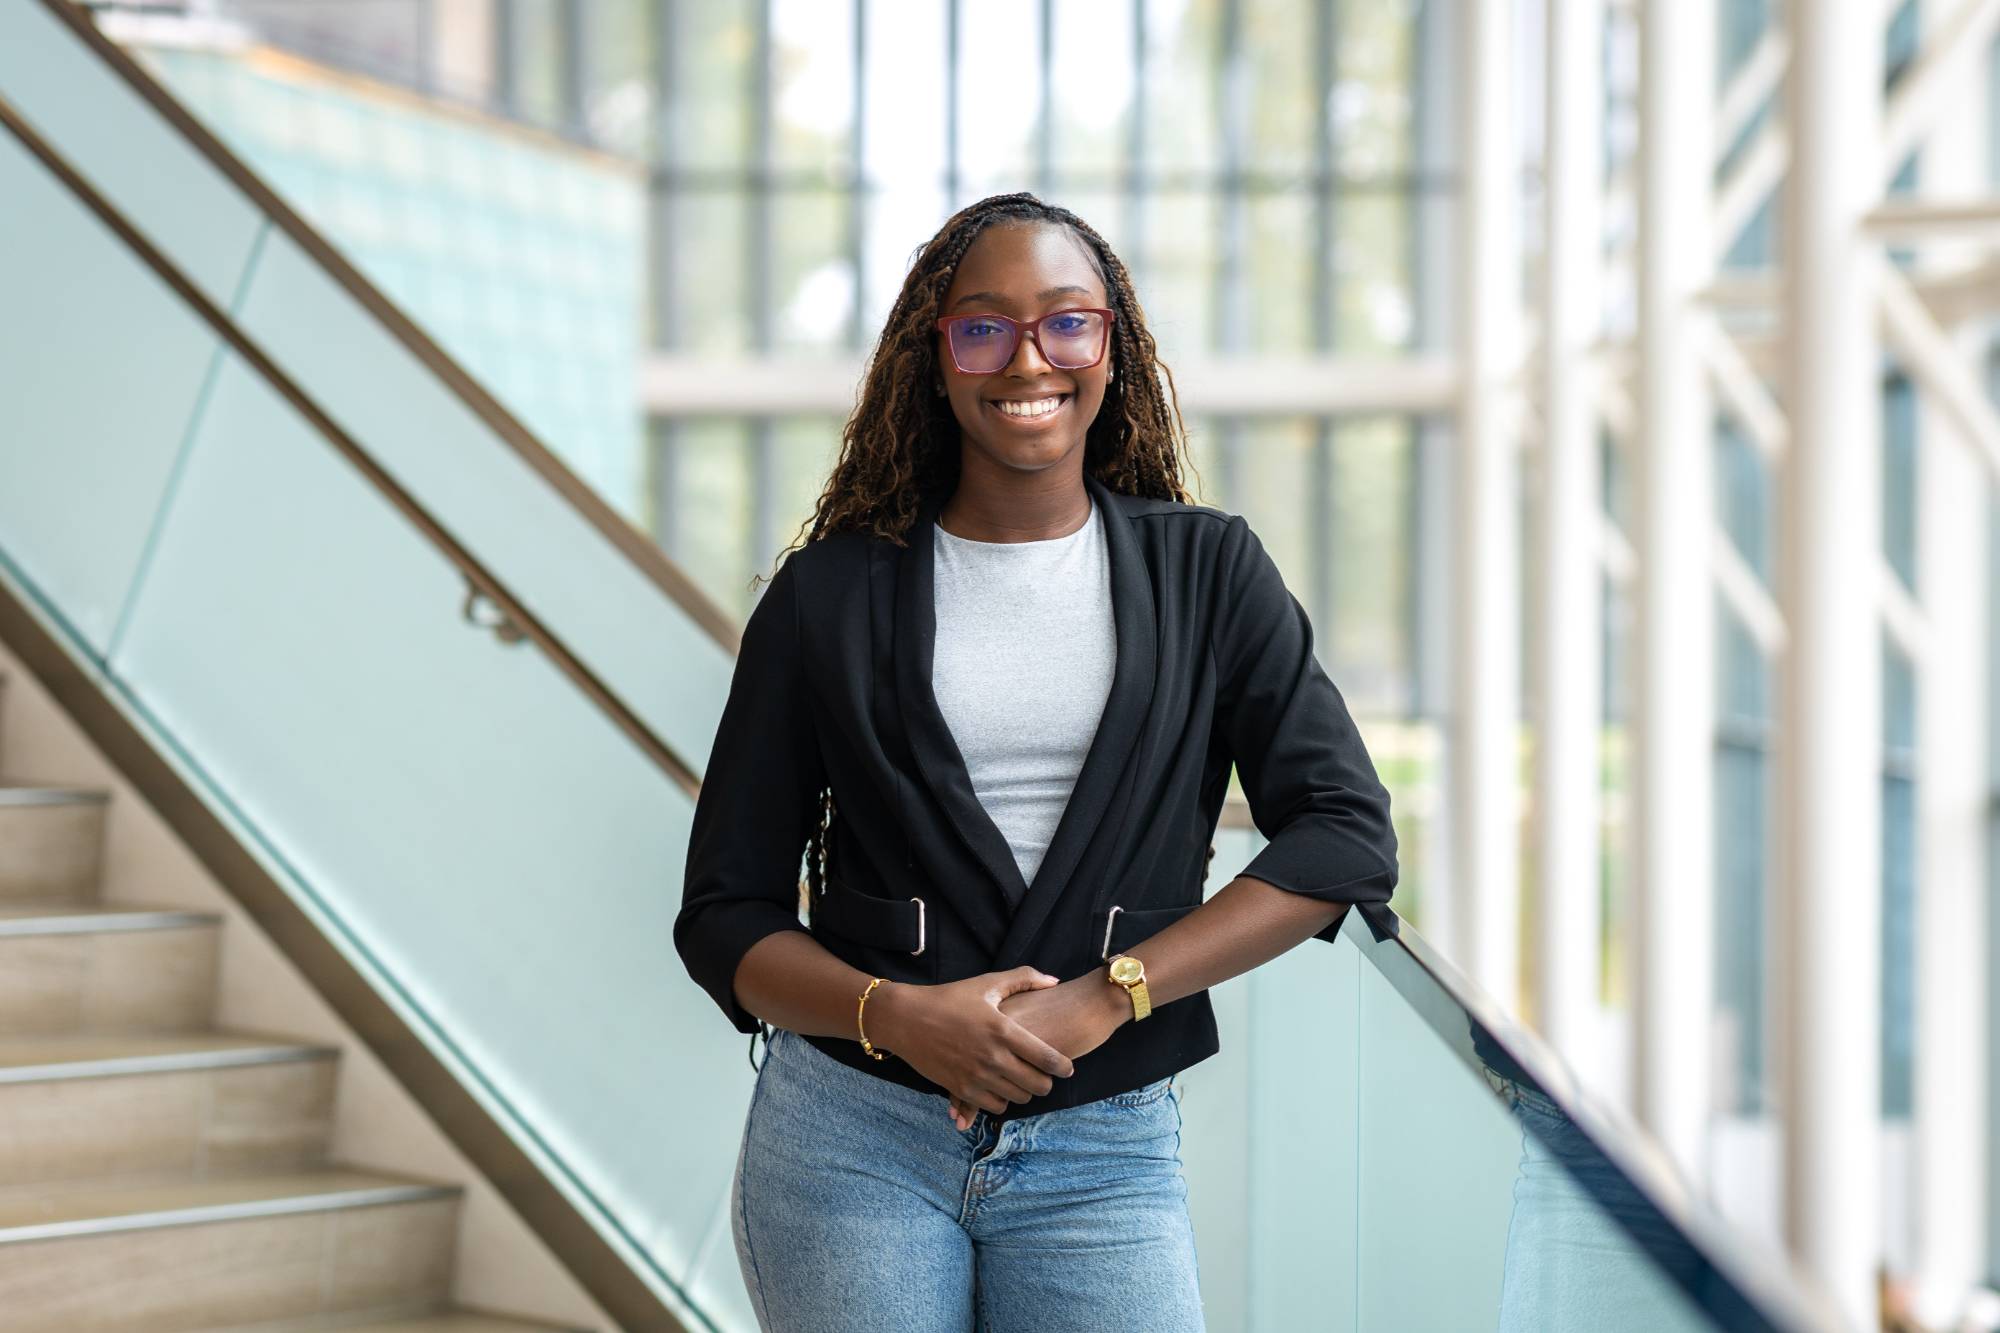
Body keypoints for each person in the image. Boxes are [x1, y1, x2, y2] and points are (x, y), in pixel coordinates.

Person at [675, 191, 1400, 1332]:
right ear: (937, 354)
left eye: (1067, 322)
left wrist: (1112, 996)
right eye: (983, 326)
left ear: (1112, 347)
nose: (1029, 359)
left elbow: (1342, 836)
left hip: (1101, 1151)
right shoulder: (827, 594)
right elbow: (723, 914)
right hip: (854, 1140)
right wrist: (895, 1015)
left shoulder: (1207, 574)